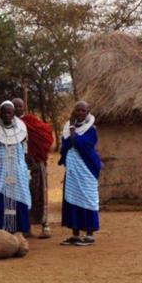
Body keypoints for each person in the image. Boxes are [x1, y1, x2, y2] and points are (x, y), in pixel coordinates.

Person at [59, 101, 101, 246]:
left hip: (87, 169)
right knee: (72, 199)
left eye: (83, 110)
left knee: (88, 199)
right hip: (72, 170)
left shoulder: (91, 129)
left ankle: (89, 235)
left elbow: (80, 144)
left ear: (88, 112)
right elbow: (65, 145)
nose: (80, 113)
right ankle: (75, 234)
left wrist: (72, 132)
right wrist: (71, 131)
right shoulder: (67, 127)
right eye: (78, 110)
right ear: (74, 111)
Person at [0, 100, 32, 234]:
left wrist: (27, 172)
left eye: (9, 113)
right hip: (1, 171)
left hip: (18, 170)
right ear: (0, 114)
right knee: (0, 199)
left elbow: (25, 151)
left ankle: (19, 230)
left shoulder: (21, 130)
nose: (7, 115)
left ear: (13, 114)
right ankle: (2, 232)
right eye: (4, 113)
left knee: (20, 198)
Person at [13, 98, 54, 238]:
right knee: (23, 195)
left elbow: (46, 135)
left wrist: (34, 154)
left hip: (35, 162)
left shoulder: (31, 121)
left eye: (20, 106)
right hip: (18, 164)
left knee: (39, 193)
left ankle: (45, 225)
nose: (18, 109)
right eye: (15, 106)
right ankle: (26, 227)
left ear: (24, 107)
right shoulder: (9, 123)